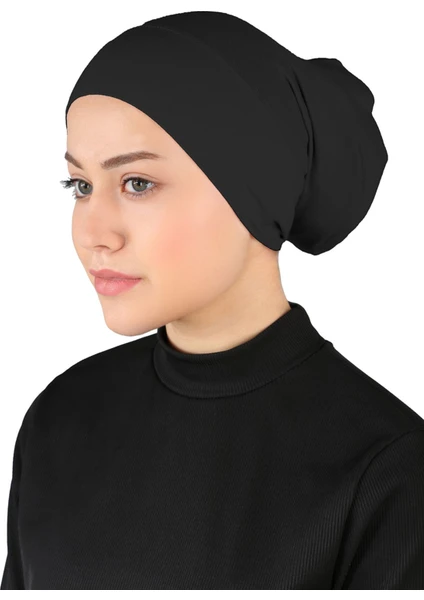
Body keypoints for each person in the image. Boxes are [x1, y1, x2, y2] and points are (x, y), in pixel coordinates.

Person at [1, 10, 423, 590]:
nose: (93, 232)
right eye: (81, 185)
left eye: (137, 183)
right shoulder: (59, 418)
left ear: (255, 191)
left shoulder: (389, 471)